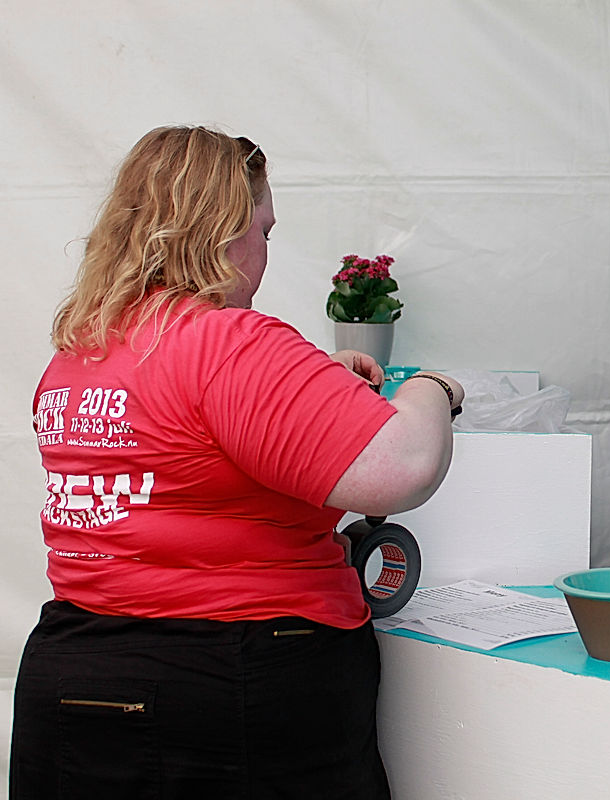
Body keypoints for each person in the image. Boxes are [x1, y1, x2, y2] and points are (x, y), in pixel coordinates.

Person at [11, 125, 464, 799]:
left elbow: (180, 458)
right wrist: (433, 389)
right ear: (222, 231)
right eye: (265, 230)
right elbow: (402, 467)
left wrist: (309, 387)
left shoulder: (82, 351)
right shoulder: (228, 341)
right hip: (229, 685)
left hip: (76, 673)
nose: (265, 252)